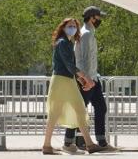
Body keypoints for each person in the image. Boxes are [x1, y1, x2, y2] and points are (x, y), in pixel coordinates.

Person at [43, 18, 106, 155]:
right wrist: (86, 77)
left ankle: (89, 144)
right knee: (56, 113)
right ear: (63, 27)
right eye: (69, 26)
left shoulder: (67, 42)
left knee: (79, 110)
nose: (72, 28)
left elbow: (70, 68)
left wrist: (81, 79)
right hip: (61, 81)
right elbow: (69, 65)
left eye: (74, 26)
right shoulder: (62, 42)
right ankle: (47, 146)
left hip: (67, 80)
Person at [63, 6, 116, 153]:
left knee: (100, 108)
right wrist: (86, 80)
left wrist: (94, 77)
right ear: (92, 17)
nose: (100, 20)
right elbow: (84, 60)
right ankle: (68, 143)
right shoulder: (86, 34)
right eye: (98, 17)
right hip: (87, 80)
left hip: (93, 78)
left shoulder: (89, 33)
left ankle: (102, 142)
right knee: (79, 111)